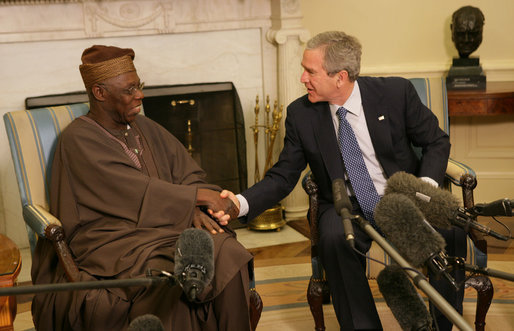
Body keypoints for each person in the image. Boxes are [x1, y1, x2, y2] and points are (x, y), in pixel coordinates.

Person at [223, 31, 466, 330]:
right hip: (343, 204)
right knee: (336, 240)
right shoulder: (302, 114)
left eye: (310, 71)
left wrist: (424, 190)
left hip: (401, 196)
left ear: (340, 77)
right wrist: (239, 203)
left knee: (450, 231)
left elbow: (436, 142)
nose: (302, 78)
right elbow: (283, 175)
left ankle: (440, 327)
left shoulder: (395, 94)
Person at [31, 45, 254, 330]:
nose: (140, 95)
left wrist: (195, 207)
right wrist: (197, 199)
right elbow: (130, 191)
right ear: (100, 93)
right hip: (113, 241)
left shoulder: (145, 127)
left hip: (162, 229)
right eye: (129, 90)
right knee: (195, 266)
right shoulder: (78, 138)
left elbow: (187, 172)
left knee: (225, 249)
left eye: (140, 86)